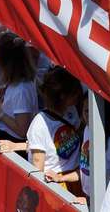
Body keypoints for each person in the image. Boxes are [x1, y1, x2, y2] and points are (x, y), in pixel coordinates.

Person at [25, 67, 84, 195]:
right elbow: (37, 166)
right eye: (74, 93)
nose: (78, 96)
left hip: (75, 180)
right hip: (54, 185)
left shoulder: (71, 111)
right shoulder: (39, 124)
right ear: (62, 96)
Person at [0, 33, 38, 143]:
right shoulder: (17, 82)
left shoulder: (21, 90)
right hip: (5, 132)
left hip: (11, 141)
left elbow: (22, 131)